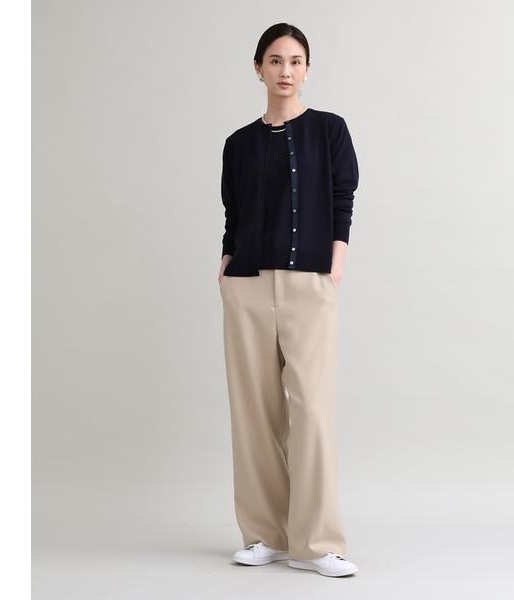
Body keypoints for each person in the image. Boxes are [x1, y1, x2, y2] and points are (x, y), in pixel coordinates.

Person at [218, 22, 359, 578]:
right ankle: (265, 535)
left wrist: (336, 261)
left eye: (295, 61)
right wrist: (227, 263)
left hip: (309, 283)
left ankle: (318, 542)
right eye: (275, 60)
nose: (285, 70)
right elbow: (233, 210)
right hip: (247, 284)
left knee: (312, 409)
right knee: (253, 412)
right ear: (258, 68)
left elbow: (343, 196)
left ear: (307, 69)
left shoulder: (329, 130)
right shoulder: (238, 143)